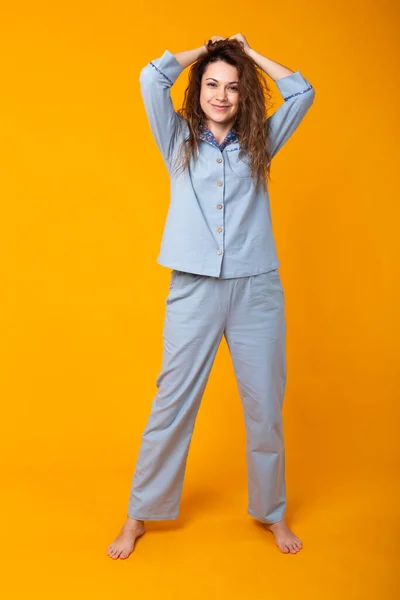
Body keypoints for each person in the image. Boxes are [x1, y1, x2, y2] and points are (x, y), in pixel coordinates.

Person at [107, 33, 315, 559]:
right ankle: (138, 515)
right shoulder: (176, 138)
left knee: (265, 406)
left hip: (257, 291)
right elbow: (150, 77)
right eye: (212, 84)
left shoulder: (262, 141)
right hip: (193, 289)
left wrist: (246, 54)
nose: (221, 95)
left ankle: (272, 512)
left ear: (246, 95)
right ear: (198, 88)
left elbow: (302, 91)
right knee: (171, 404)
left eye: (233, 87)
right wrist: (205, 49)